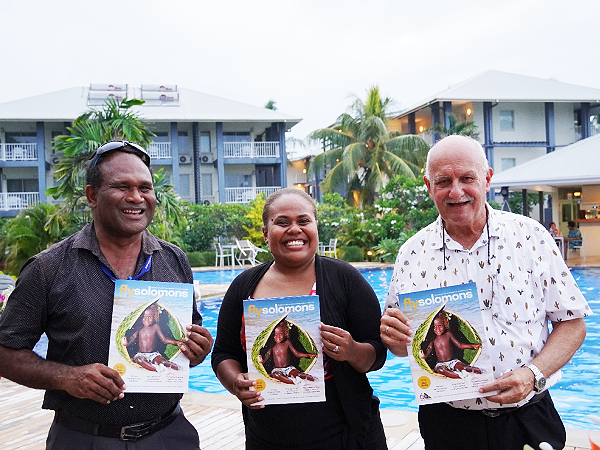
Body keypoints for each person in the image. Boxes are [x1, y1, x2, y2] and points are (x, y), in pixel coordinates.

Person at [380, 135, 592, 450]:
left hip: (528, 416)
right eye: (443, 181)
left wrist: (534, 374)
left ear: (487, 179)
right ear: (428, 185)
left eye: (467, 178)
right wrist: (392, 336)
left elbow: (573, 324)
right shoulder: (413, 253)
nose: (456, 191)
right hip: (448, 421)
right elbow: (402, 344)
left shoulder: (530, 237)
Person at [0, 141, 213, 449]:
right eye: (122, 186)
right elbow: (5, 353)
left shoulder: (173, 260)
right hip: (84, 438)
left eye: (145, 188)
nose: (136, 197)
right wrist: (67, 378)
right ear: (92, 195)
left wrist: (197, 349)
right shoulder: (49, 268)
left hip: (168, 434)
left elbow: (185, 346)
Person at [211, 187, 387, 450]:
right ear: (265, 233)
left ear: (316, 227)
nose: (294, 229)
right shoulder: (244, 287)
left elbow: (377, 353)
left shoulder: (344, 279)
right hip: (268, 436)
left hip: (346, 434)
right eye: (282, 222)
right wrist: (236, 382)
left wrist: (351, 350)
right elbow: (224, 353)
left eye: (303, 221)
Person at [420, 311, 482, 379]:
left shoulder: (448, 334)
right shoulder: (433, 338)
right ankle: (459, 376)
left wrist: (473, 346)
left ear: (445, 324)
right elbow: (429, 349)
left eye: (440, 326)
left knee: (464, 367)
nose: (437, 329)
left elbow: (459, 345)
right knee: (441, 370)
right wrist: (424, 355)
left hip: (453, 361)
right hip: (441, 363)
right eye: (434, 327)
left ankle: (476, 371)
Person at [122, 305, 183, 372]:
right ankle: (156, 369)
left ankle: (178, 368)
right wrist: (127, 343)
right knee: (139, 360)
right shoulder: (139, 328)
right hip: (141, 353)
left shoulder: (155, 327)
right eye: (144, 317)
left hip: (153, 354)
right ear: (141, 318)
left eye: (150, 317)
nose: (147, 319)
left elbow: (164, 339)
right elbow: (133, 338)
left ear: (154, 317)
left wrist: (176, 342)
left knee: (162, 361)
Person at [257, 320, 317, 384]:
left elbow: (296, 353)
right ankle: (293, 381)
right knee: (277, 375)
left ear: (285, 333)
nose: (278, 337)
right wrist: (263, 361)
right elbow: (268, 354)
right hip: (277, 369)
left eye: (280, 334)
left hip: (289, 368)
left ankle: (312, 379)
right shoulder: (272, 345)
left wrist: (308, 355)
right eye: (275, 334)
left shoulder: (287, 343)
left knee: (298, 374)